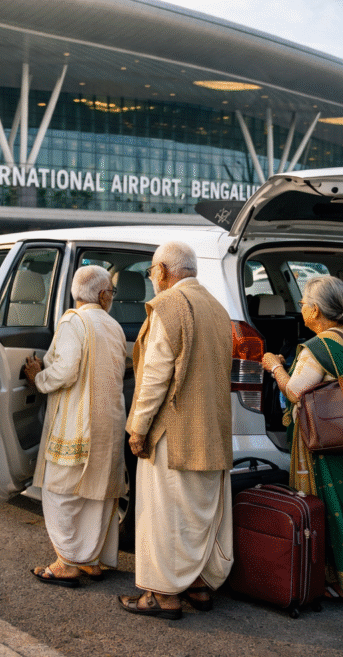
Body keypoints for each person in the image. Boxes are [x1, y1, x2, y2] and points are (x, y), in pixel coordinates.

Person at [118, 241, 234, 620]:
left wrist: (137, 428)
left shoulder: (168, 306)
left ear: (164, 271)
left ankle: (163, 597)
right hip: (212, 432)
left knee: (165, 515)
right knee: (197, 515)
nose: (153, 279)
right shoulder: (217, 309)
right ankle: (198, 586)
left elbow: (154, 376)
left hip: (174, 433)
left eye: (153, 272)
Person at [262, 276, 343, 604]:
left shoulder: (318, 347)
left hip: (333, 443)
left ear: (317, 310)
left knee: (337, 508)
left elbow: (295, 392)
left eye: (304, 304)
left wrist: (274, 366)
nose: (302, 309)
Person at [23, 265, 127, 587]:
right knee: (97, 493)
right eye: (111, 290)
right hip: (109, 422)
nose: (112, 296)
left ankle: (68, 562)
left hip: (76, 424)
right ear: (101, 294)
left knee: (59, 492)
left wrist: (38, 378)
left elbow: (66, 370)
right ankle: (90, 561)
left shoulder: (74, 321)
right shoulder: (114, 325)